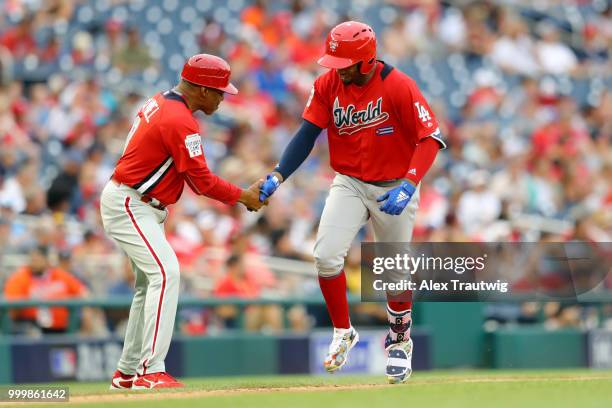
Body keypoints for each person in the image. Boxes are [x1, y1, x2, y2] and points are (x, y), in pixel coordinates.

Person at [259, 21, 445, 384]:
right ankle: (343, 331)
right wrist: (279, 174)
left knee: (393, 268)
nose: (336, 68)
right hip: (349, 181)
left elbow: (430, 138)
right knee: (326, 254)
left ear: (365, 61)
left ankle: (400, 342)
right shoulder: (328, 83)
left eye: (343, 62)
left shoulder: (399, 85)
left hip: (394, 183)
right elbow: (308, 133)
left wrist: (409, 182)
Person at [100, 54, 266, 390]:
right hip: (131, 202)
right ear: (202, 89)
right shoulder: (179, 119)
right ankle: (151, 369)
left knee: (149, 284)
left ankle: (128, 371)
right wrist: (243, 196)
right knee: (167, 272)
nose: (223, 97)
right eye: (219, 91)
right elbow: (201, 182)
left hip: (136, 201)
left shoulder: (163, 102)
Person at [3, 245, 88, 334]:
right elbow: (12, 309)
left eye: (38, 258)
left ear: (47, 260)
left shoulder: (59, 274)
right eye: (32, 258)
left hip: (61, 325)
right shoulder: (20, 277)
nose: (34, 262)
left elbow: (83, 293)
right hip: (31, 324)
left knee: (86, 314)